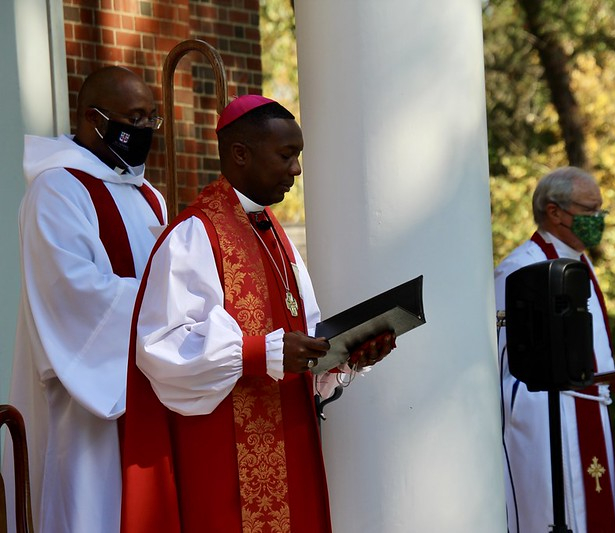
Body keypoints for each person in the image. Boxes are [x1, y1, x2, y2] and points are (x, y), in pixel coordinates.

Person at [120, 95, 395, 533]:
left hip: (291, 440)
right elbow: (160, 349)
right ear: (241, 154)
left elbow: (295, 342)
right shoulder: (194, 235)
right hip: (224, 456)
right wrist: (254, 354)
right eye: (286, 155)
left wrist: (342, 357)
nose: (297, 170)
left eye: (298, 156)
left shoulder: (273, 234)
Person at [3, 66, 166, 532]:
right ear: (94, 121)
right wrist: (167, 307)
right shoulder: (56, 190)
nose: (144, 130)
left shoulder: (147, 195)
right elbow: (75, 297)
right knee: (89, 510)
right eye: (135, 117)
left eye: (152, 118)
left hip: (145, 394)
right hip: (86, 400)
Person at [495, 166, 615, 533]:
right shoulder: (520, 269)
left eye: (601, 211)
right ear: (554, 211)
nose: (598, 220)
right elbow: (507, 360)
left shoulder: (581, 263)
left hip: (588, 407)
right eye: (590, 211)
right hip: (549, 419)